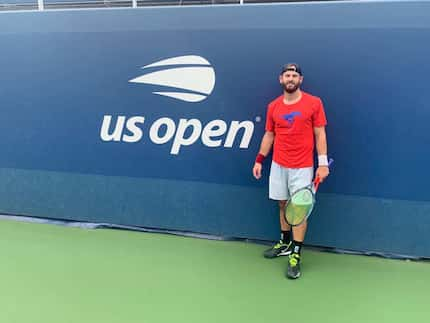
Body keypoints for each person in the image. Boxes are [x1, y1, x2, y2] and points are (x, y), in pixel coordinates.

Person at [252, 63, 329, 279]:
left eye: (295, 75)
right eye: (287, 75)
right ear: (281, 79)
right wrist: (259, 160)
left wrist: (322, 163)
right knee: (283, 204)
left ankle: (295, 254)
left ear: (300, 80)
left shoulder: (314, 103)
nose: (291, 78)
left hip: (303, 167)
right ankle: (285, 243)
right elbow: (269, 135)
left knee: (299, 211)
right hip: (278, 164)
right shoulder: (273, 107)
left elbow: (320, 134)